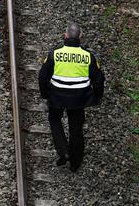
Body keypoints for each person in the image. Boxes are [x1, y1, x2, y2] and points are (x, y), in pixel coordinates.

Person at [38, 22, 105, 172]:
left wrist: (45, 94)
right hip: (79, 98)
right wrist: (97, 97)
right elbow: (99, 79)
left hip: (57, 96)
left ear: (65, 36)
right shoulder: (88, 57)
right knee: (76, 128)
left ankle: (64, 151)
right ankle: (75, 162)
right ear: (81, 37)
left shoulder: (54, 54)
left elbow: (43, 76)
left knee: (54, 119)